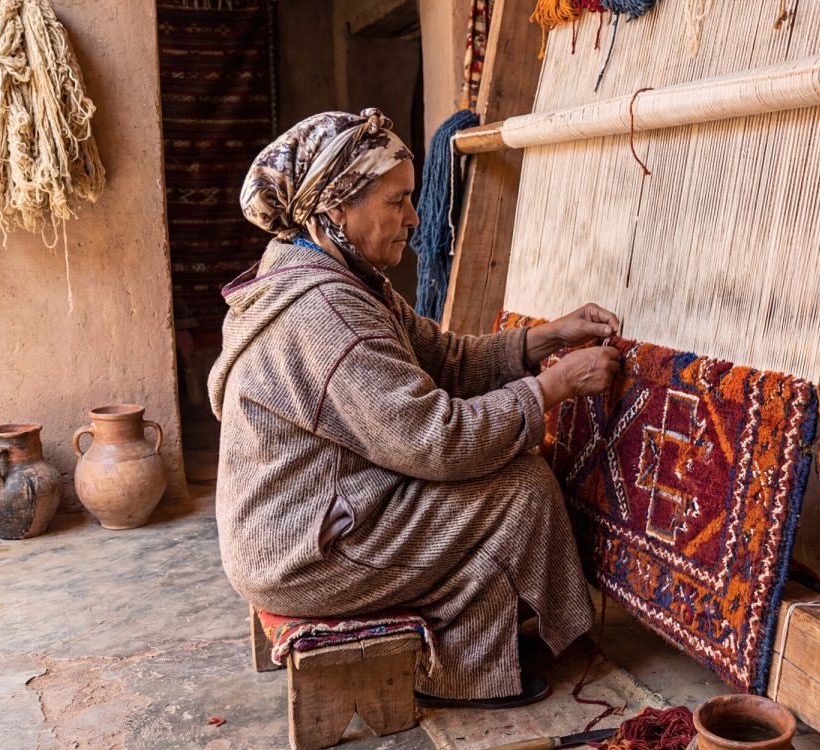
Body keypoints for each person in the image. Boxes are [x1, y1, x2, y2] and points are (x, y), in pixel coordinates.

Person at [208, 109, 621, 707]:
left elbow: (445, 359)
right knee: (520, 485)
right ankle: (492, 666)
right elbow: (438, 440)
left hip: (304, 518)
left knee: (500, 476)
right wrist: (552, 389)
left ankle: (489, 645)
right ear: (336, 209)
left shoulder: (329, 273)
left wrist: (545, 339)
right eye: (397, 200)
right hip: (304, 554)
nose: (415, 217)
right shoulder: (327, 315)